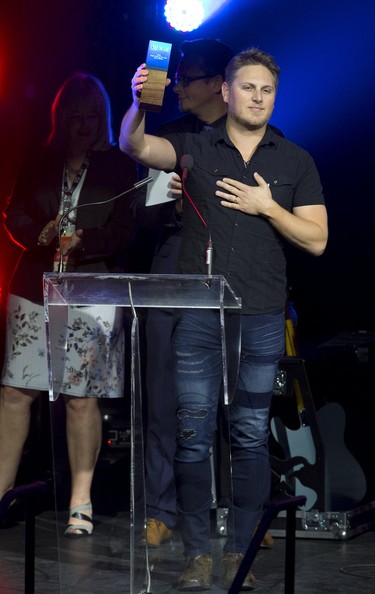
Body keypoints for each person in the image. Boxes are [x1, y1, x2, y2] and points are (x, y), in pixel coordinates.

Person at [119, 47, 328, 590]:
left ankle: (240, 554)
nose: (258, 98)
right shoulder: (195, 147)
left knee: (252, 435)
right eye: (249, 88)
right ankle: (196, 554)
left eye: (268, 90)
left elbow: (318, 239)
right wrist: (139, 104)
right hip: (200, 315)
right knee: (192, 436)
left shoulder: (293, 159)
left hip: (259, 314)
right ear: (227, 92)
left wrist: (268, 208)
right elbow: (134, 144)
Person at [0, 72, 137, 537]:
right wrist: (41, 232)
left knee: (82, 397)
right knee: (17, 392)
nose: (82, 125)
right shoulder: (39, 159)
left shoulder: (120, 165)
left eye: (91, 117)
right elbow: (13, 212)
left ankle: (81, 500)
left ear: (102, 119)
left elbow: (126, 228)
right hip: (33, 284)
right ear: (60, 118)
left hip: (92, 288)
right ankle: (2, 494)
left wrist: (85, 239)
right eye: (73, 116)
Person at [142, 38, 234, 549]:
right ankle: (161, 509)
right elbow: (144, 214)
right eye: (175, 75)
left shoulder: (248, 135)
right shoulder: (169, 137)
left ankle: (240, 504)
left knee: (228, 397)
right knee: (162, 394)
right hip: (171, 266)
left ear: (218, 83)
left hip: (228, 272)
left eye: (188, 76)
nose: (178, 84)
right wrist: (173, 206)